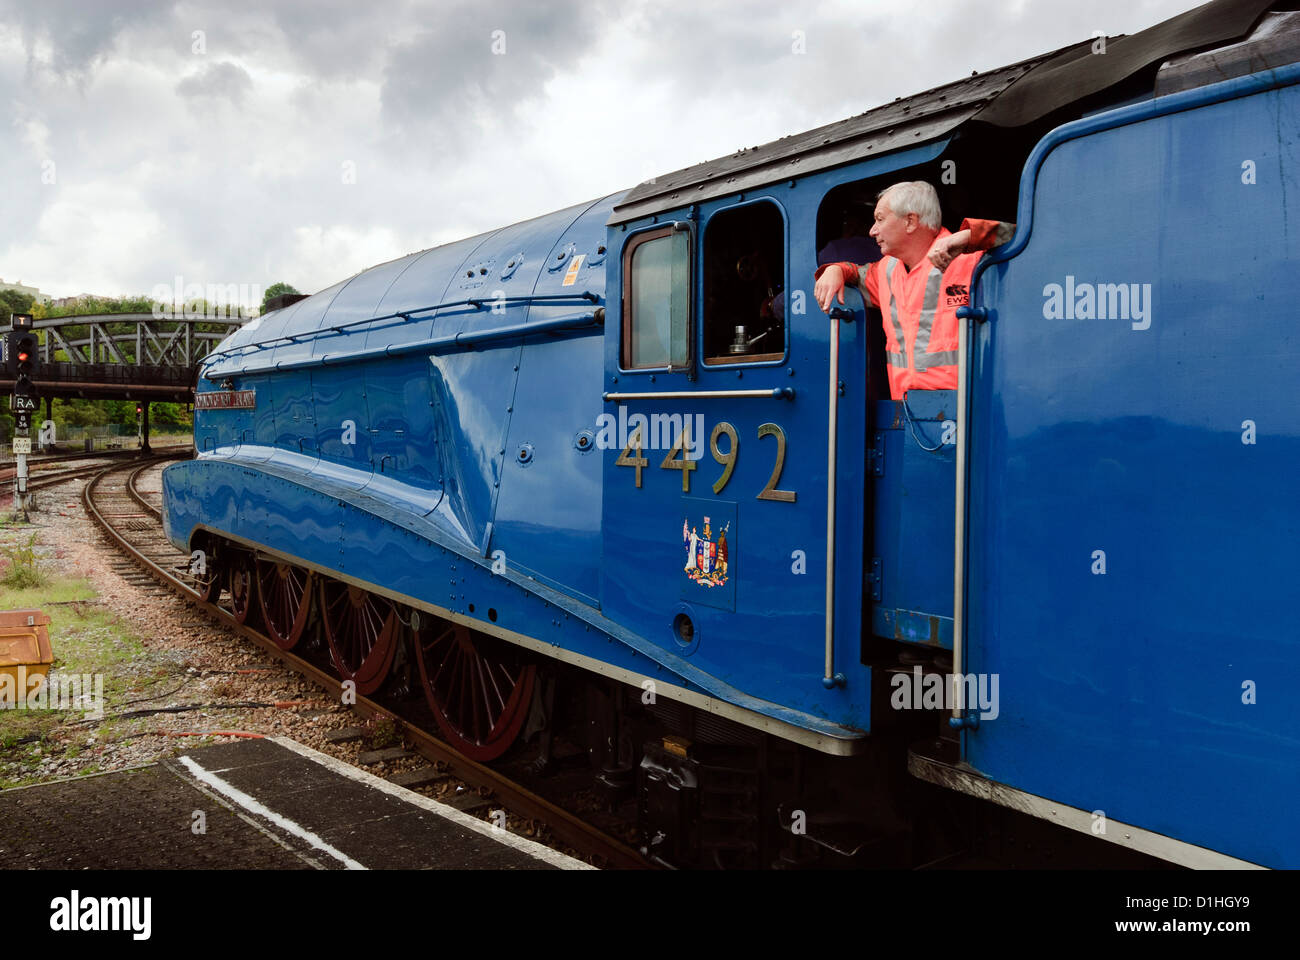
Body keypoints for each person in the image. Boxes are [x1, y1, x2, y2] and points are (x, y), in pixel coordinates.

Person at [812, 181, 1013, 400]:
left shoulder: (971, 259)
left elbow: (1021, 238)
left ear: (910, 221)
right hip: (906, 409)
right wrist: (835, 269)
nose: (872, 231)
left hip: (969, 409)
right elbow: (857, 273)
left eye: (880, 219)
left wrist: (967, 236)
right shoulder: (886, 271)